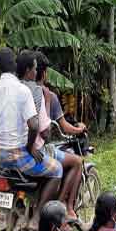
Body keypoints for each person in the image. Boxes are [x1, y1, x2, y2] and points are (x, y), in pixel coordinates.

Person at [0, 48, 62, 228]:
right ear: (15, 66)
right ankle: (36, 218)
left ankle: (6, 213)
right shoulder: (23, 91)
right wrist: (29, 148)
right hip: (18, 156)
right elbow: (35, 125)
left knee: (6, 178)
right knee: (57, 169)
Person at [34, 52, 83, 221]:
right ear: (44, 73)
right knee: (77, 162)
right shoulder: (48, 95)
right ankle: (65, 207)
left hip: (16, 149)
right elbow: (63, 127)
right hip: (39, 149)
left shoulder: (19, 92)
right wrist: (80, 129)